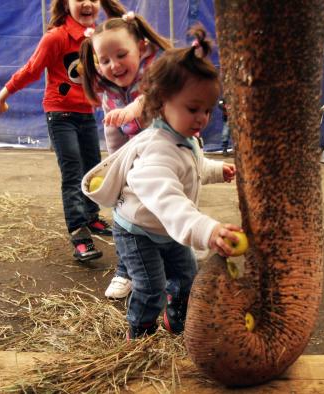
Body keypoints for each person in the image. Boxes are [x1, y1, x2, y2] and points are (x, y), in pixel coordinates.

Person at [82, 25, 244, 339]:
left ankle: (176, 318)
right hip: (139, 230)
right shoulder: (156, 147)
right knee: (150, 287)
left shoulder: (183, 137)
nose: (202, 118)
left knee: (187, 277)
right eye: (193, 109)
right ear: (162, 102)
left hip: (167, 228)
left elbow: (189, 168)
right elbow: (167, 198)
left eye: (208, 110)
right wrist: (206, 230)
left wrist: (213, 170)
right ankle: (140, 331)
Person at [0, 0, 114, 264]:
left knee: (92, 168)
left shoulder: (96, 36)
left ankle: (91, 217)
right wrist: (2, 95)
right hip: (61, 115)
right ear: (66, 4)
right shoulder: (56, 37)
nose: (88, 3)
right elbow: (32, 69)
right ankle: (79, 236)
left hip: (87, 114)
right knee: (72, 172)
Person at [79, 5, 172, 299]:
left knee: (166, 212)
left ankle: (173, 267)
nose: (114, 65)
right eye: (104, 60)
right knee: (125, 217)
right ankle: (126, 271)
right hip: (132, 159)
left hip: (164, 156)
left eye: (121, 55)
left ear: (141, 47)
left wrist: (133, 108)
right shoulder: (104, 85)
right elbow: (112, 131)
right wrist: (116, 171)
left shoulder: (156, 69)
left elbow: (154, 96)